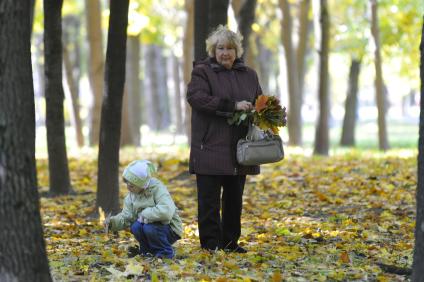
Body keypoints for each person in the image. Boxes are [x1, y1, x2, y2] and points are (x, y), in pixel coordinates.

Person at [186, 25, 262, 253]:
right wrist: (232, 106)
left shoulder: (249, 75)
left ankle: (230, 243)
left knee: (234, 200)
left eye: (229, 48)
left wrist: (266, 111)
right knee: (208, 201)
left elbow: (259, 99)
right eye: (220, 48)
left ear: (237, 50)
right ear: (213, 50)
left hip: (239, 150)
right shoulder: (202, 72)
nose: (225, 53)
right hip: (209, 146)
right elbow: (197, 98)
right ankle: (211, 245)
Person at [104, 160, 183, 259]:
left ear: (142, 185)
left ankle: (165, 253)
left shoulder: (157, 189)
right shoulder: (131, 196)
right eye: (126, 183)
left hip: (169, 229)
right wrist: (112, 223)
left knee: (149, 228)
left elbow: (167, 211)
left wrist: (145, 214)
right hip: (151, 227)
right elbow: (126, 217)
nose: (128, 186)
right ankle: (147, 251)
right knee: (136, 227)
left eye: (132, 185)